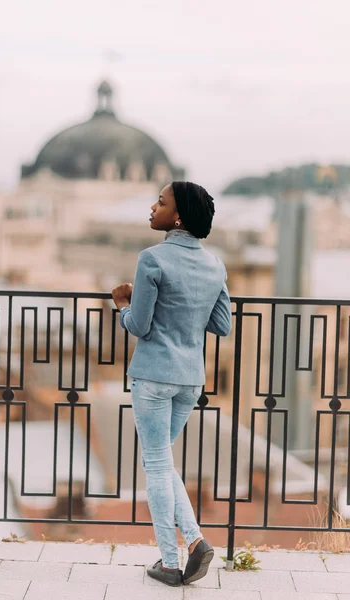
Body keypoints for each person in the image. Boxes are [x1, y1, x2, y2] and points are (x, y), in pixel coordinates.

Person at [112, 181, 231, 587]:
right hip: (190, 379)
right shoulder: (216, 264)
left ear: (177, 216)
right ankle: (195, 542)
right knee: (162, 463)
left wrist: (123, 304)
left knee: (158, 465)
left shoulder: (152, 259)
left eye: (160, 203)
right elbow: (222, 325)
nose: (152, 207)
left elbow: (139, 326)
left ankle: (169, 560)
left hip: (152, 375)